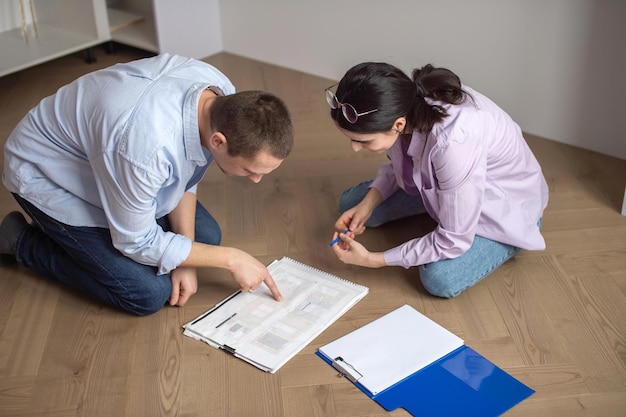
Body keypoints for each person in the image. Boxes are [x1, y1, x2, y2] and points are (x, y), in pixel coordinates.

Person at [0, 53, 294, 315]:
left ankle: (80, 242)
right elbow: (135, 240)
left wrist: (186, 260)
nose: (256, 180)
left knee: (206, 237)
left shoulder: (219, 94)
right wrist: (232, 258)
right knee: (147, 293)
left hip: (112, 164)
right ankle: (22, 242)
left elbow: (185, 174)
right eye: (251, 170)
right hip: (45, 173)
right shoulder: (144, 149)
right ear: (219, 141)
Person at [327, 62, 548, 298]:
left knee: (439, 279)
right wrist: (367, 205)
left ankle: (512, 237)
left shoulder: (454, 144)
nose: (354, 148)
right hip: (449, 185)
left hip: (504, 209)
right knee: (350, 203)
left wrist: (374, 259)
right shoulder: (403, 100)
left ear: (398, 125)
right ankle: (440, 210)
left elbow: (454, 240)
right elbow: (402, 164)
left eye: (363, 141)